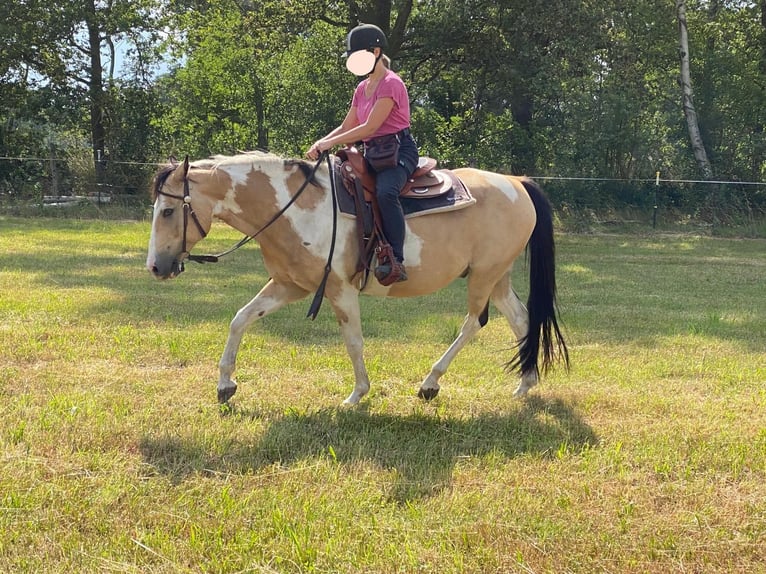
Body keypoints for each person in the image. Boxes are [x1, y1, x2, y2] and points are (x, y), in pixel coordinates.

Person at [307, 23, 418, 284]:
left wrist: (328, 144)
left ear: (376, 51)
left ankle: (396, 260)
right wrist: (322, 142)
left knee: (386, 192)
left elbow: (369, 127)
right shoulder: (362, 88)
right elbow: (347, 126)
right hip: (373, 153)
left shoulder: (392, 83)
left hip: (398, 152)